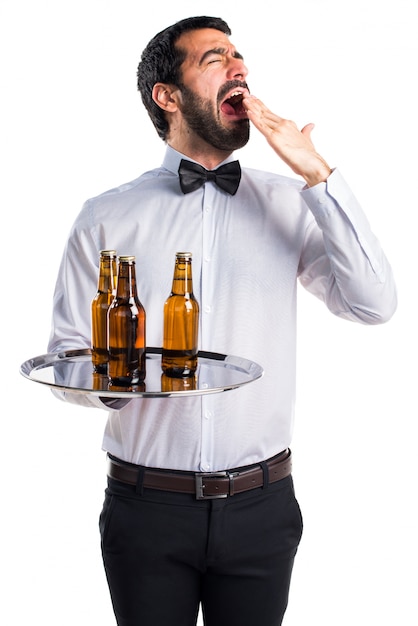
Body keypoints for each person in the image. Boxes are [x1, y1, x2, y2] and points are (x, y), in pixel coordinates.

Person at [47, 15, 397, 626]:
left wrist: (318, 174)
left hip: (263, 507)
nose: (239, 67)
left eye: (238, 56)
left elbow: (373, 303)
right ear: (168, 96)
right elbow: (70, 350)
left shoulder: (290, 201)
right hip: (145, 506)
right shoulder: (105, 216)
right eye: (214, 58)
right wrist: (116, 382)